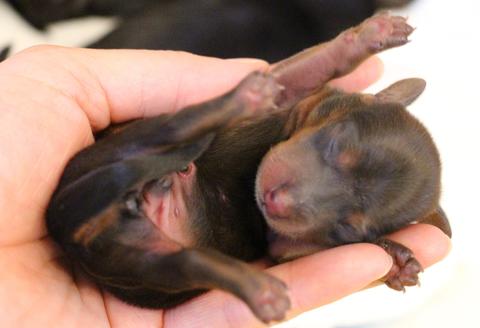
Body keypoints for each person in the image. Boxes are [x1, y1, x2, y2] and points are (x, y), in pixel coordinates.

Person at [0, 46, 451, 327]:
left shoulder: (281, 232)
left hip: (153, 257)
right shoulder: (290, 107)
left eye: (344, 228)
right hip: (119, 186)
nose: (288, 199)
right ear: (350, 105)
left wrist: (385, 255)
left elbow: (281, 253)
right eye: (332, 147)